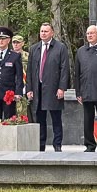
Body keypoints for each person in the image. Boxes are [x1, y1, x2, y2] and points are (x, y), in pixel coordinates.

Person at [25, 22, 69, 152]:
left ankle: (57, 145)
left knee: (56, 118)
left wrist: (62, 88)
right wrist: (29, 89)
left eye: (45, 31)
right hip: (38, 90)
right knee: (40, 119)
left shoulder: (60, 48)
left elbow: (64, 69)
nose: (43, 33)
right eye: (41, 31)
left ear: (52, 33)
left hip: (53, 89)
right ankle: (40, 145)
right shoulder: (34, 48)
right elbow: (30, 70)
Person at [0, 27, 25, 121]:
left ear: (8, 40)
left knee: (9, 120)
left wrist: (18, 92)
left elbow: (19, 76)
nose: (0, 41)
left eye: (3, 38)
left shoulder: (15, 56)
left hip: (9, 93)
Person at [12, 34, 30, 119]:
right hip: (11, 86)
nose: (16, 44)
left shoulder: (28, 56)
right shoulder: (9, 55)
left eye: (18, 42)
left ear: (23, 43)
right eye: (14, 42)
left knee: (23, 112)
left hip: (24, 85)